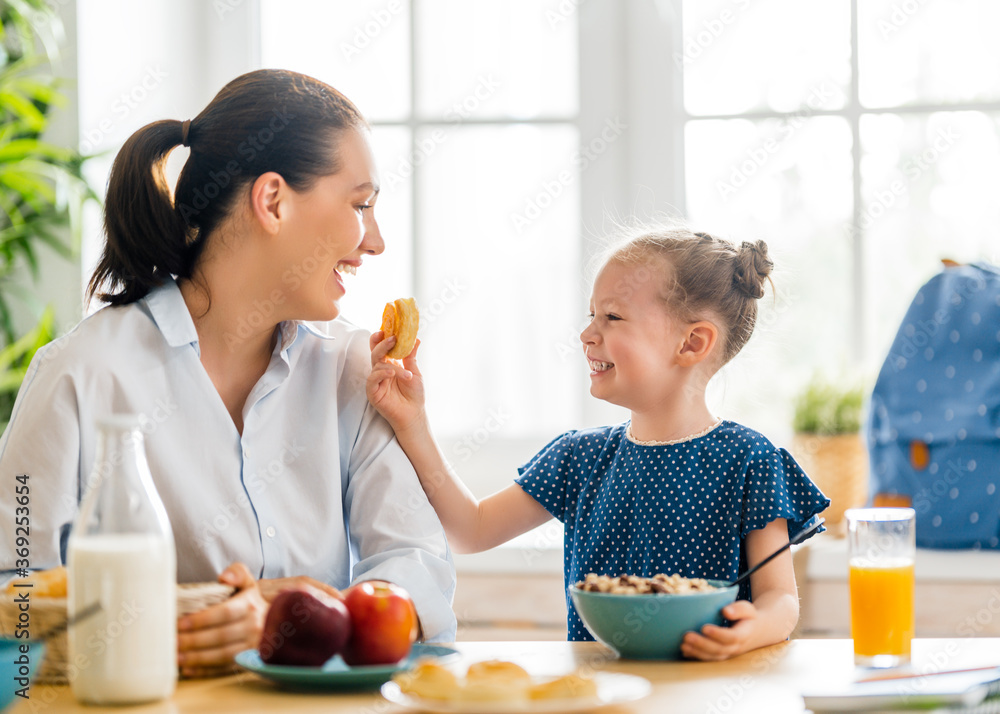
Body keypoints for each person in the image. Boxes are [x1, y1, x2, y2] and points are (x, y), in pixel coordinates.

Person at [0, 69, 455, 678]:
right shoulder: (79, 376)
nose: (375, 240)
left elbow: (416, 566)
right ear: (272, 201)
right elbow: (14, 606)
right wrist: (171, 627)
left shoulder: (354, 368)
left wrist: (288, 617)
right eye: (360, 205)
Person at [367, 226, 829, 661]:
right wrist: (413, 422)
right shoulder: (578, 458)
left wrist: (755, 628)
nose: (587, 334)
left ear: (692, 343)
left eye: (612, 316)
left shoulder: (750, 460)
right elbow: (471, 529)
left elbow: (780, 600)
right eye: (592, 315)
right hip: (600, 694)